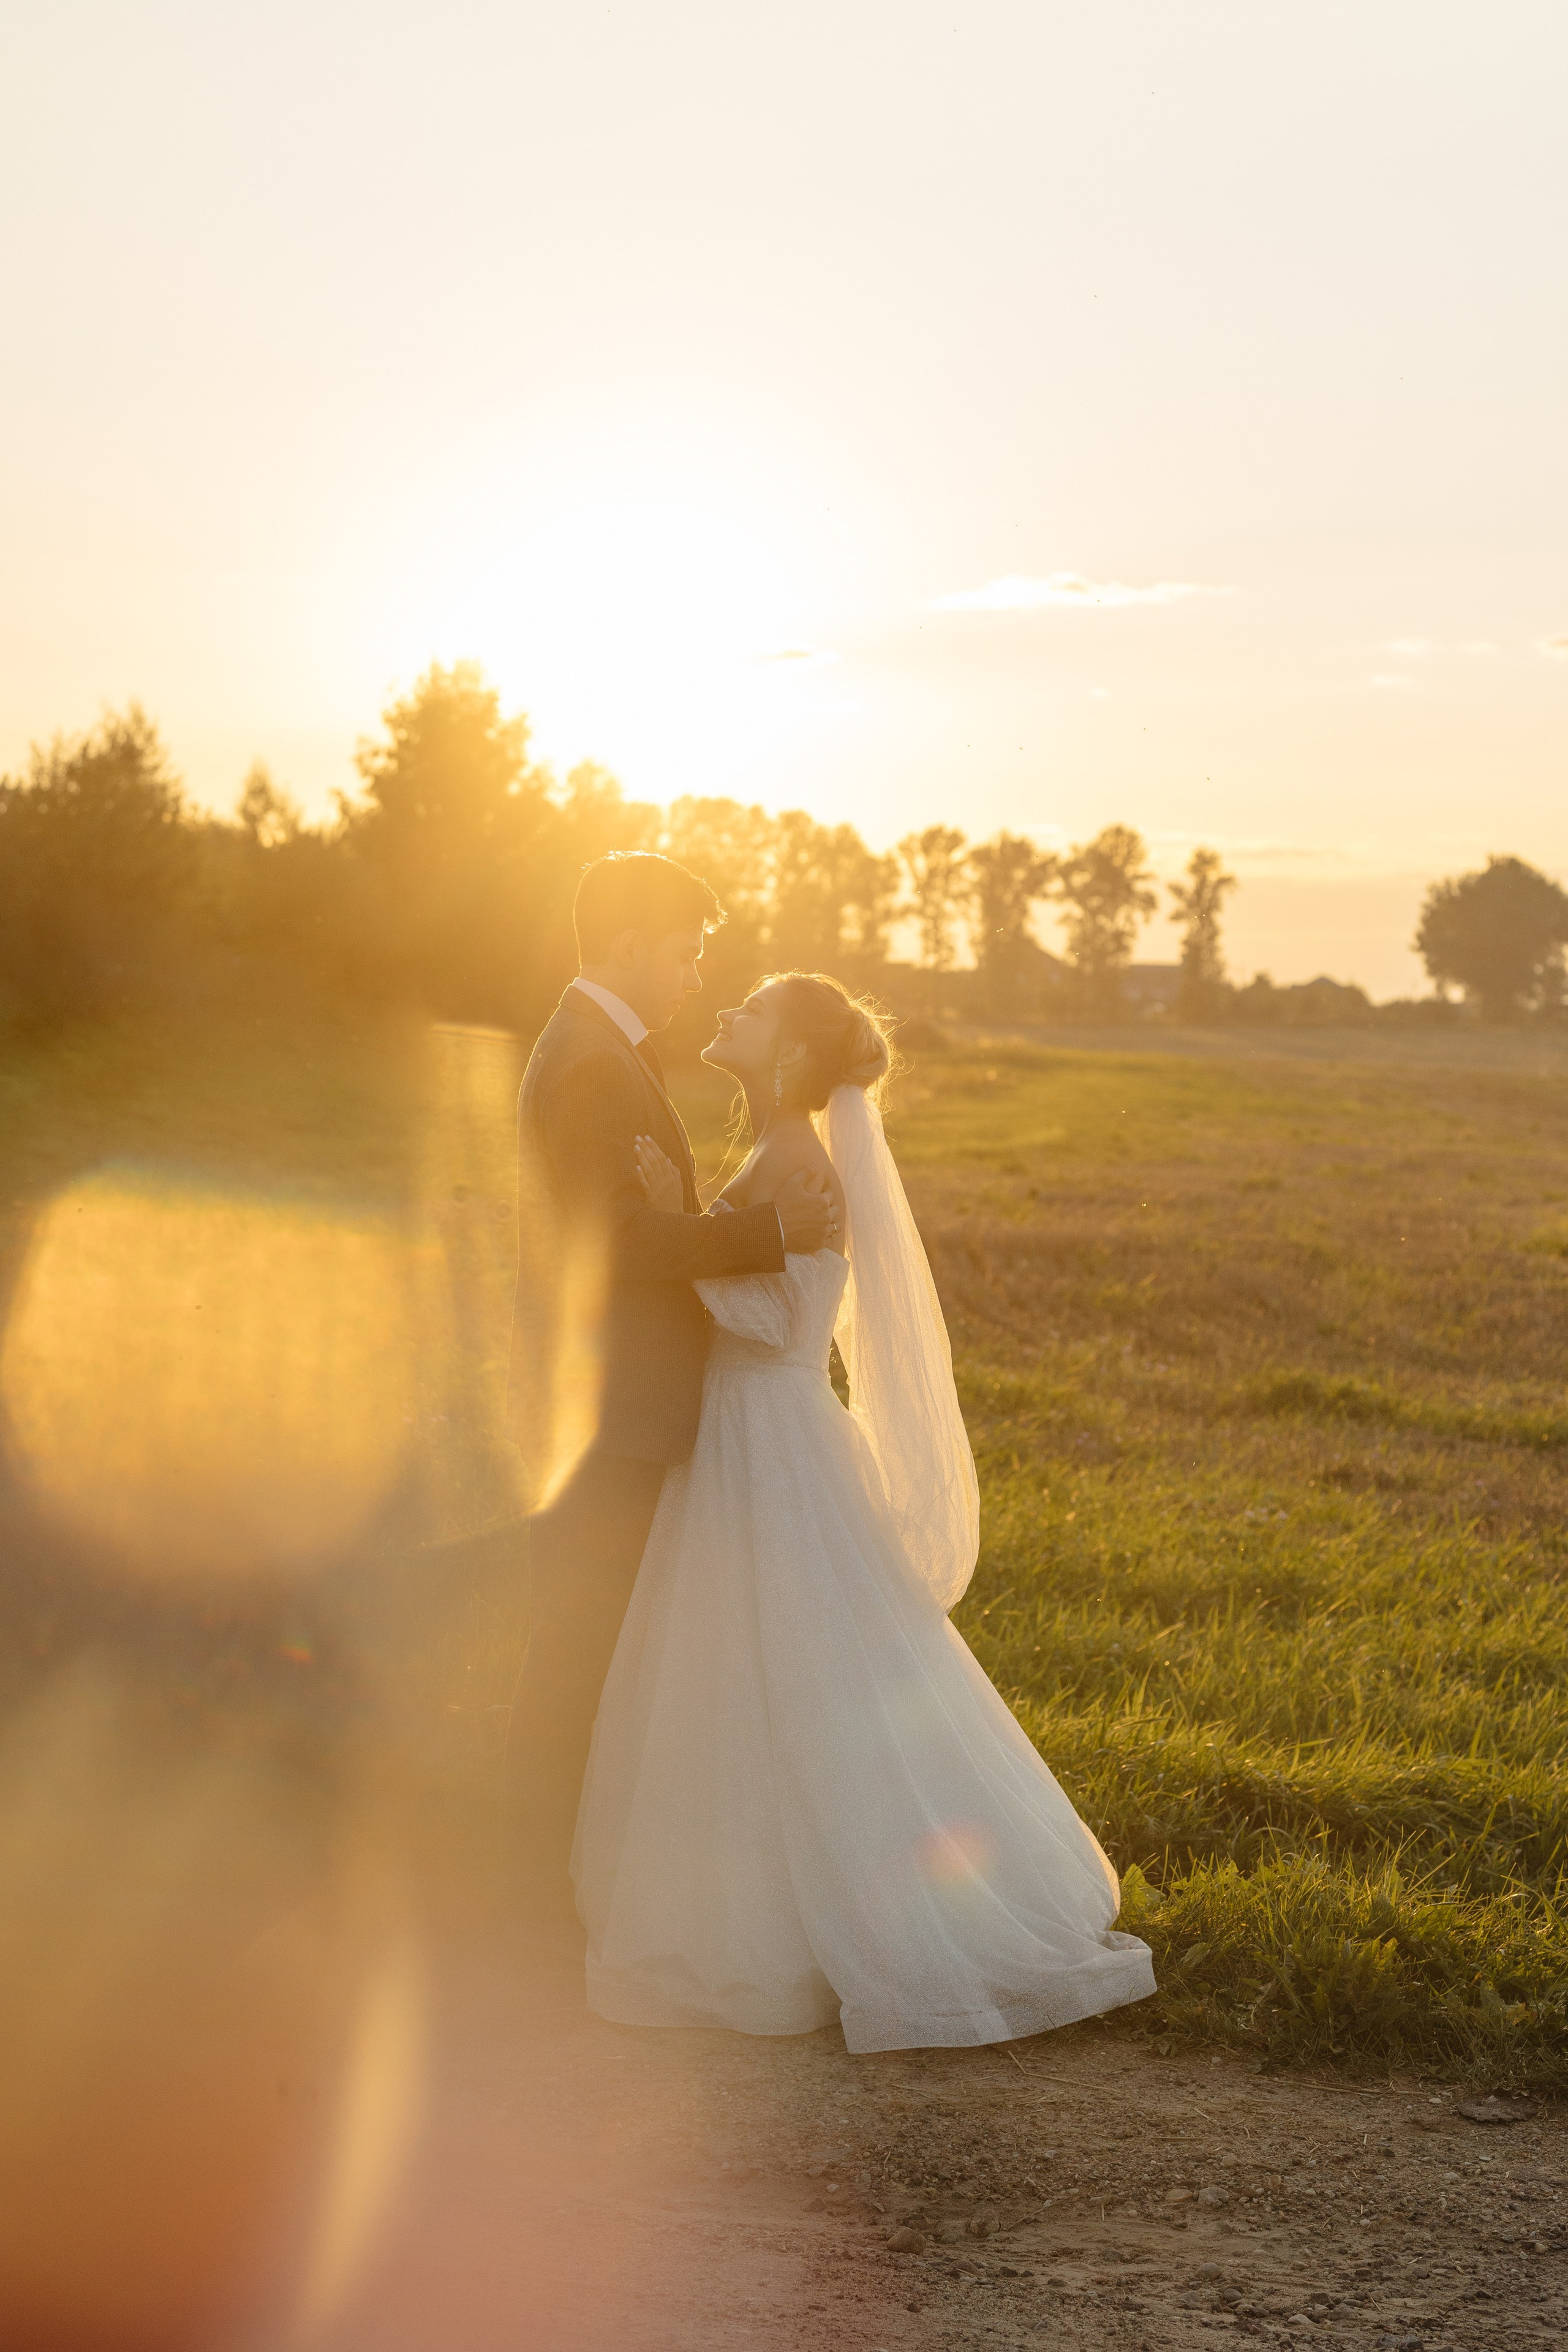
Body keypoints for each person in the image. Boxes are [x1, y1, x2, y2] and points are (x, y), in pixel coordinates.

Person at [571, 971, 1156, 2050]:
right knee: (751, 1671)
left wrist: (675, 1233)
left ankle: (893, 1925)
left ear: (789, 1055)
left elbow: (786, 1316)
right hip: (744, 1433)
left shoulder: (800, 1157)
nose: (730, 1016)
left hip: (772, 1433)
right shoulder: (775, 1151)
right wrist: (697, 1230)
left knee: (809, 1668)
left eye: (751, 1012)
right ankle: (778, 1908)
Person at [505, 854, 835, 1914]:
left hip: (623, 1400)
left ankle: (549, 1883)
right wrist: (767, 1233)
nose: (695, 973)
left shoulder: (601, 1049)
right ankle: (525, 1898)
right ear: (636, 942)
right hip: (612, 1407)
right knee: (580, 1656)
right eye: (687, 951)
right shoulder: (594, 1060)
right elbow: (616, 1237)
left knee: (595, 1651)